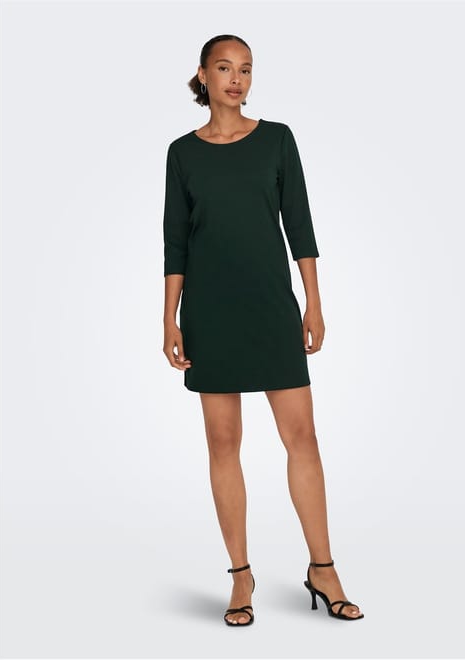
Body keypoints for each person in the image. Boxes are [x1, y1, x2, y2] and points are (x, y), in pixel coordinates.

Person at [162, 34, 364, 626]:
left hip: (272, 308)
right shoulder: (182, 153)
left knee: (302, 437)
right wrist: (169, 315)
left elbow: (299, 224)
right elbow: (175, 240)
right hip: (210, 312)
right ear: (203, 75)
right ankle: (240, 576)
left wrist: (313, 303)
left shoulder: (277, 139)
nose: (237, 79)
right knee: (223, 443)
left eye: (246, 69)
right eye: (225, 68)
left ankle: (323, 568)